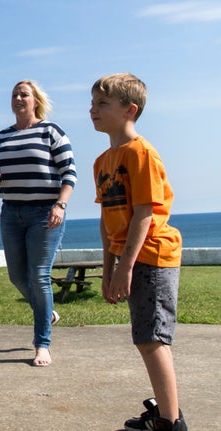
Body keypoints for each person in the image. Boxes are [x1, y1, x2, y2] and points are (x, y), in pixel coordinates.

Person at [90, 73, 187, 431]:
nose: (92, 109)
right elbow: (107, 218)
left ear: (130, 110)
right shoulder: (102, 161)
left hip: (153, 255)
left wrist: (125, 267)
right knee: (145, 337)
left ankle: (170, 422)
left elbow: (145, 214)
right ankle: (167, 412)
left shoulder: (141, 153)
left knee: (152, 339)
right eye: (92, 103)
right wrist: (108, 267)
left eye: (102, 103)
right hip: (131, 258)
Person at [0, 80, 77, 367]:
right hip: (11, 213)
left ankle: (42, 344)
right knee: (16, 276)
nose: (18, 98)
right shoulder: (1, 137)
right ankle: (45, 311)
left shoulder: (51, 132)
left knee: (38, 276)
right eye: (14, 95)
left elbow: (69, 173)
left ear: (36, 100)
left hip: (45, 213)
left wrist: (60, 205)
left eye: (24, 94)